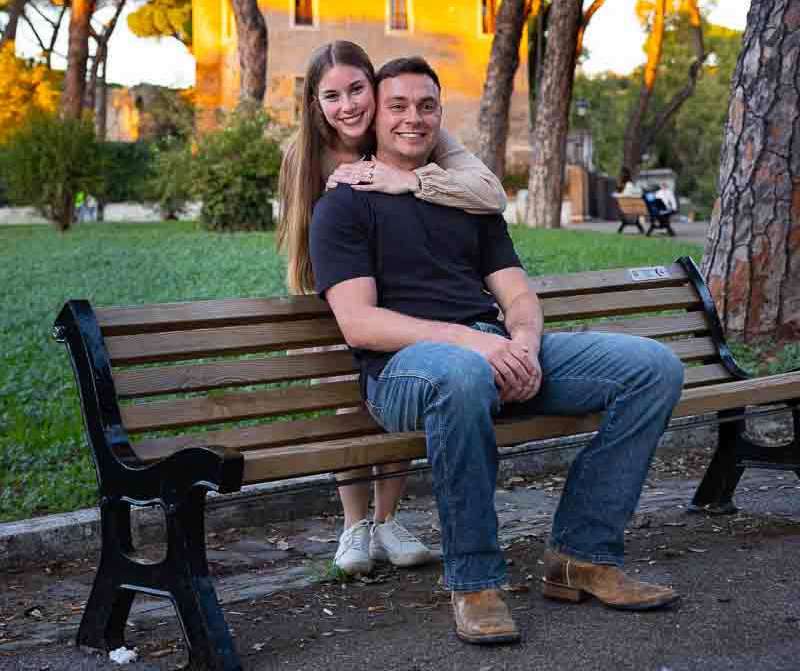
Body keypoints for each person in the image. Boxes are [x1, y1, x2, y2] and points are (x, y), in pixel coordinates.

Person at [310, 57, 684, 645]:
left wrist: (524, 345)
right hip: (403, 374)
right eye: (398, 106)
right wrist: (477, 344)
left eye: (427, 105)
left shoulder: (465, 200)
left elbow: (517, 295)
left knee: (653, 368)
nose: (413, 118)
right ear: (376, 115)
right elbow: (360, 324)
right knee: (461, 375)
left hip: (492, 356)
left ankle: (582, 556)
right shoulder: (345, 203)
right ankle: (476, 582)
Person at [277, 41, 507, 577]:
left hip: (397, 291)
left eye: (358, 89)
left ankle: (387, 520)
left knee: (402, 374)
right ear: (315, 103)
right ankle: (354, 525)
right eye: (332, 96)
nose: (348, 106)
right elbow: (299, 235)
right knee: (347, 403)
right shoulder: (304, 156)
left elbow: (490, 194)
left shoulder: (416, 134)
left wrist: (410, 180)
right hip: (335, 289)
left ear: (375, 88)